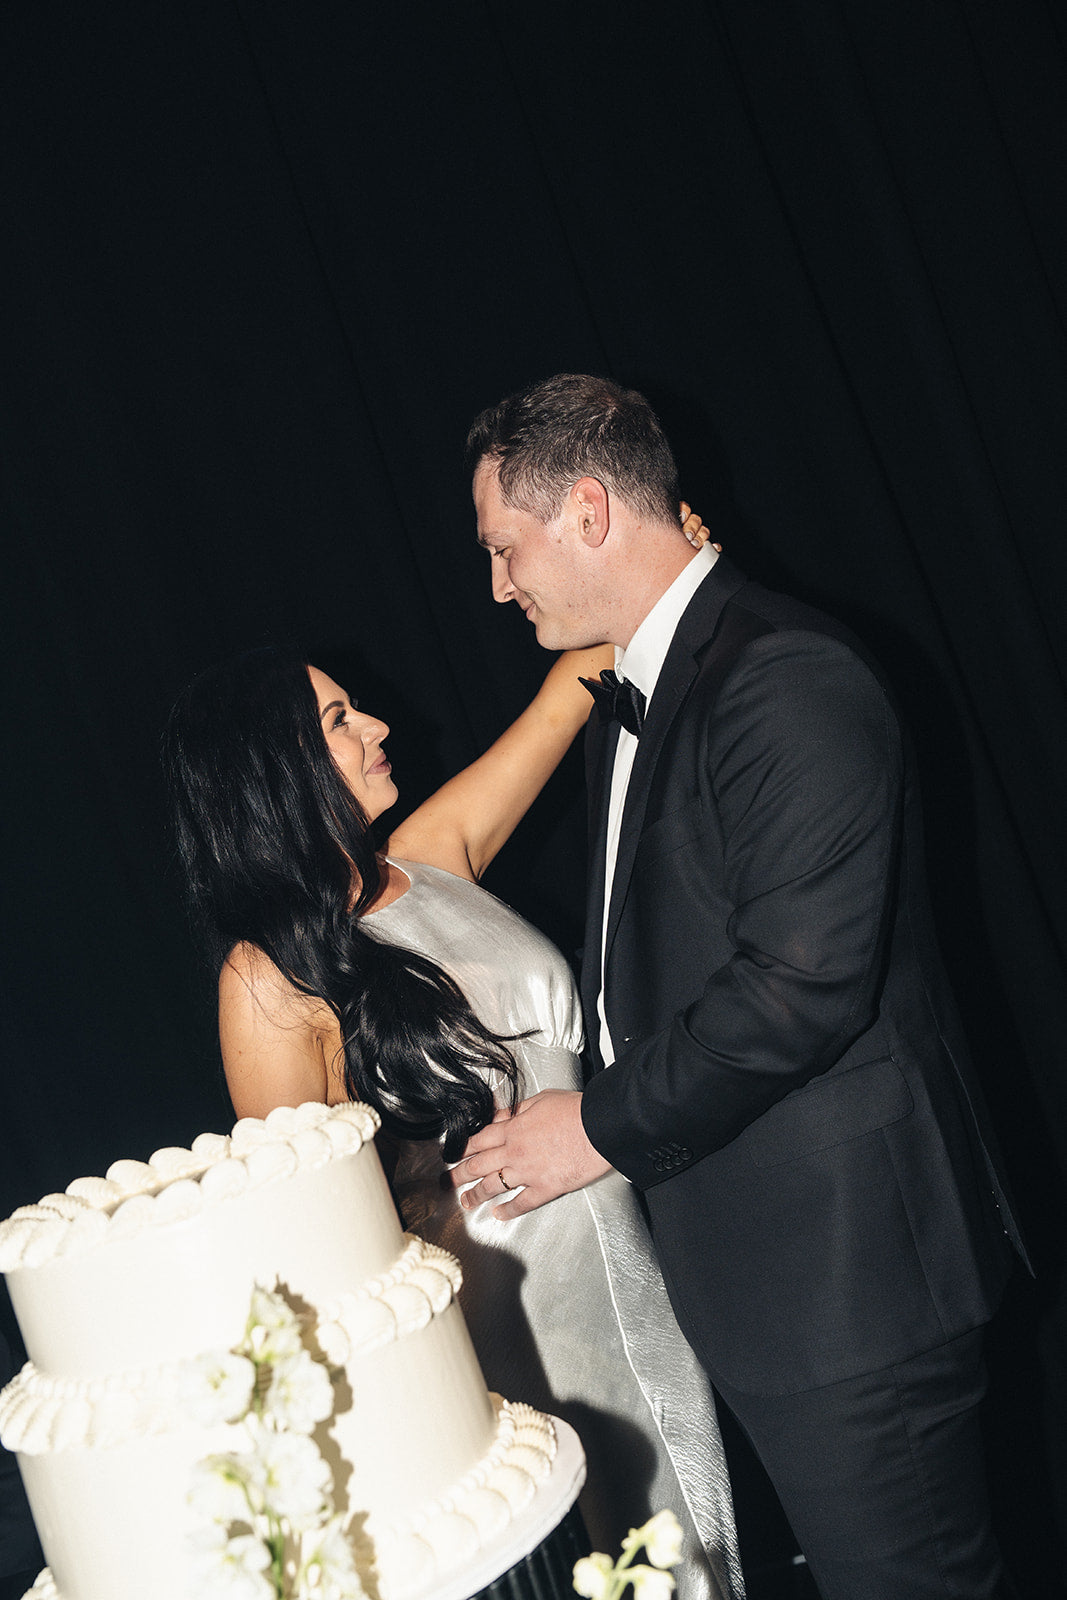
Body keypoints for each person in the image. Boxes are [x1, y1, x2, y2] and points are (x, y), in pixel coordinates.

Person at [455, 373, 1027, 1600]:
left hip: (854, 1290)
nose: (499, 585)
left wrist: (591, 1128)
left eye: (507, 549)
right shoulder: (649, 681)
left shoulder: (783, 675)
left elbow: (797, 991)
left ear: (590, 512)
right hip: (784, 1291)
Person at [164, 604, 743, 1599]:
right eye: (338, 722)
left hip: (638, 1252)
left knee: (704, 1545)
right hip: (501, 1323)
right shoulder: (267, 979)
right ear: (271, 772)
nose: (377, 728)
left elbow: (575, 688)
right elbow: (310, 1242)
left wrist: (656, 566)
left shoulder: (429, 855)